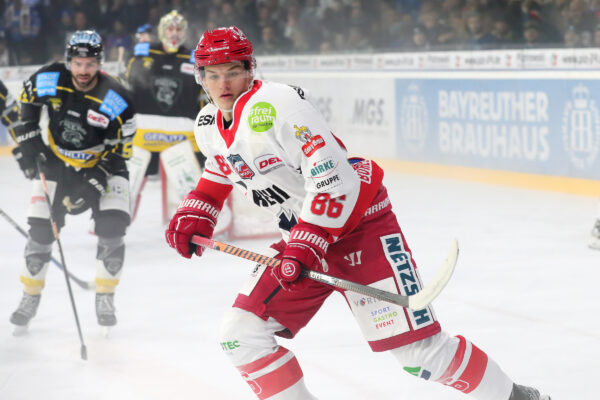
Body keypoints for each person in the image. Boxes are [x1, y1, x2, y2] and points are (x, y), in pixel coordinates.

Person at [165, 26, 552, 400]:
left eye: (233, 72)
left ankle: (518, 398)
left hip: (360, 231)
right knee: (240, 334)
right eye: (213, 75)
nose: (224, 84)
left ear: (250, 69)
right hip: (303, 241)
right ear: (201, 77)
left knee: (421, 356)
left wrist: (306, 242)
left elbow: (335, 179)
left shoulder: (279, 105)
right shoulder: (207, 122)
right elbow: (221, 169)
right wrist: (198, 210)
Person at [9, 30, 136, 329]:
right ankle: (30, 296)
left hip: (104, 163)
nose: (83, 70)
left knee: (112, 227)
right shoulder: (49, 78)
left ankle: (105, 296)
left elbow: (121, 150)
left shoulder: (116, 96)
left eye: (90, 64)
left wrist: (94, 182)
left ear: (99, 63)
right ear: (68, 61)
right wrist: (31, 145)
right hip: (57, 162)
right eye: (78, 63)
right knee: (41, 230)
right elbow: (26, 107)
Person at [125, 10, 207, 223]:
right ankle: (113, 217)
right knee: (128, 179)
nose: (174, 33)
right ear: (161, 32)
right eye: (170, 28)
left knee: (193, 182)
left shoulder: (195, 57)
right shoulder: (142, 54)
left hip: (184, 134)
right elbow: (128, 85)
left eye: (179, 29)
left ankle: (201, 218)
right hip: (144, 132)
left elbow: (205, 95)